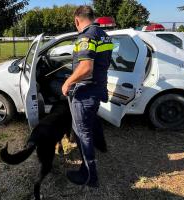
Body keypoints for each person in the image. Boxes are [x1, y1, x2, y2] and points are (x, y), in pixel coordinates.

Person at [61, 5, 113, 187]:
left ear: (77, 20)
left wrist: (68, 82)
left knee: (83, 134)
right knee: (88, 129)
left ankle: (90, 176)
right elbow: (100, 64)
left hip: (85, 92)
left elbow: (86, 68)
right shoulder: (103, 35)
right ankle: (89, 167)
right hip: (98, 89)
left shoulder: (86, 36)